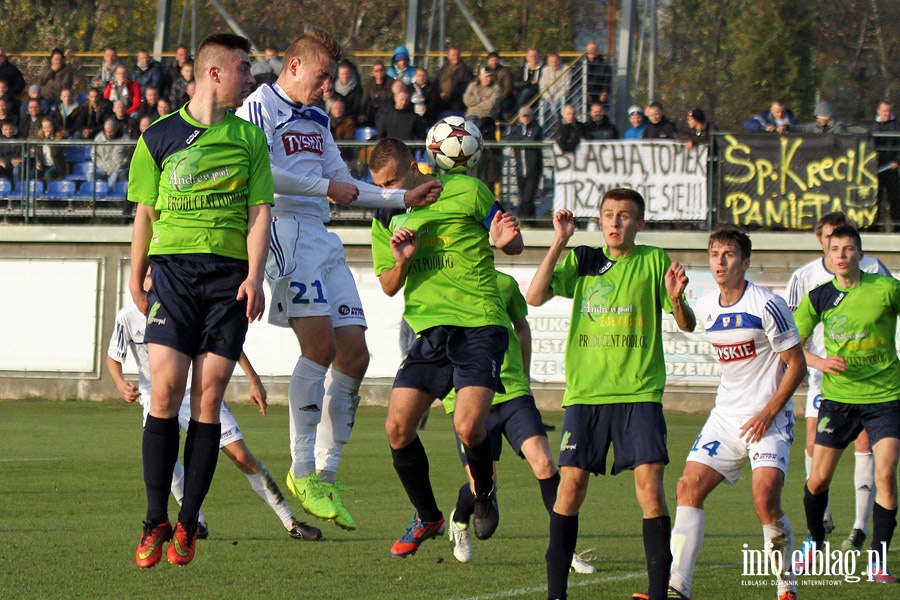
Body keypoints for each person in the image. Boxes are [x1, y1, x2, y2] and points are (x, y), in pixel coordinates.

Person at [234, 26, 441, 533]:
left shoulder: (316, 117)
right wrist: (324, 186)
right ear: (296, 66)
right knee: (320, 346)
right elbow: (259, 173)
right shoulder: (258, 107)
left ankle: (325, 473)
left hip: (322, 236)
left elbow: (345, 184)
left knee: (355, 352)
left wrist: (401, 199)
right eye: (323, 75)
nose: (328, 86)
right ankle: (302, 467)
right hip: (281, 226)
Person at [128, 32, 273, 569]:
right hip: (173, 275)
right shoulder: (159, 138)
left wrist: (255, 275)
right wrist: (136, 277)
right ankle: (154, 519)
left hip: (228, 281)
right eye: (243, 67)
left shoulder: (249, 139)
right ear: (214, 73)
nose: (250, 76)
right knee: (163, 393)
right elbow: (144, 213)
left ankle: (188, 520)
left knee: (208, 400)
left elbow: (261, 211)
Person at [525, 189, 696, 600]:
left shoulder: (654, 261)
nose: (615, 223)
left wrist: (675, 299)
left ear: (639, 223)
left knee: (650, 489)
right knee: (570, 488)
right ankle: (556, 595)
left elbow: (686, 324)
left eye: (623, 216)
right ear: (599, 221)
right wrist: (559, 241)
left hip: (639, 391)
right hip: (587, 394)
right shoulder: (584, 259)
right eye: (607, 215)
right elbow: (534, 295)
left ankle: (658, 594)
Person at [367, 136, 523, 557]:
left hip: (479, 323)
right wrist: (403, 260)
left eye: (393, 181)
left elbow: (514, 243)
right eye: (380, 185)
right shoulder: (386, 217)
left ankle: (484, 492)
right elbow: (387, 285)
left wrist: (506, 239)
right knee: (397, 428)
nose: (388, 191)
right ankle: (427, 515)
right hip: (430, 331)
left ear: (415, 166)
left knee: (468, 427)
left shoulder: (467, 189)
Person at [107, 272, 322, 544]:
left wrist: (253, 379)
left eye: (155, 274)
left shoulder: (183, 305)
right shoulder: (127, 316)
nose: (151, 281)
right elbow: (113, 356)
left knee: (242, 456)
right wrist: (120, 384)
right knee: (166, 464)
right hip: (156, 398)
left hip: (197, 393)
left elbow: (224, 344)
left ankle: (290, 521)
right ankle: (194, 522)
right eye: (147, 275)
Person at [653, 228, 805, 600]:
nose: (719, 262)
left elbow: (796, 365)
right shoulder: (708, 303)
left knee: (764, 499)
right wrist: (676, 301)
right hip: (726, 417)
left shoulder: (767, 305)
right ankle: (678, 588)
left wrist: (769, 412)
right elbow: (690, 322)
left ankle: (786, 586)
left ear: (745, 262)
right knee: (687, 487)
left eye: (728, 255)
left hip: (768, 418)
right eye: (714, 254)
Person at [435, 267, 595, 573]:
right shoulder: (446, 283)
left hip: (513, 394)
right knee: (484, 483)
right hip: (471, 399)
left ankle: (565, 549)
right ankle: (459, 519)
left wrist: (523, 375)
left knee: (546, 464)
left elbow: (521, 328)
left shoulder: (505, 284)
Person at [792, 224, 900, 584]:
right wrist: (820, 362)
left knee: (885, 474)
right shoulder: (820, 296)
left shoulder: (885, 289)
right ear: (827, 253)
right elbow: (791, 343)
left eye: (849, 249)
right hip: (837, 401)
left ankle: (878, 562)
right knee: (818, 479)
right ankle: (816, 540)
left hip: (885, 398)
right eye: (835, 248)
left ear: (860, 254)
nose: (841, 255)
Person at [505, 105, 544, 219]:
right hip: (520, 167)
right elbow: (510, 138)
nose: (526, 118)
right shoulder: (516, 128)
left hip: (533, 168)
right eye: (523, 116)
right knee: (522, 195)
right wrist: (521, 140)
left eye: (528, 116)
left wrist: (519, 141)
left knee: (528, 196)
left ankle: (523, 218)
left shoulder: (536, 127)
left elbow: (532, 139)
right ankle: (530, 220)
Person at [872, 101, 900, 231]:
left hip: (891, 168)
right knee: (874, 199)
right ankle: (874, 227)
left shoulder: (896, 127)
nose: (887, 114)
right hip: (874, 169)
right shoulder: (872, 127)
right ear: (878, 111)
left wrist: (897, 161)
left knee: (894, 198)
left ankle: (896, 227)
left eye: (889, 111)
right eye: (884, 111)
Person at [432, 46, 474, 116]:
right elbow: (437, 81)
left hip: (457, 100)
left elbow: (466, 85)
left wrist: (450, 94)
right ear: (448, 56)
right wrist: (440, 92)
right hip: (441, 98)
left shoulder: (465, 69)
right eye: (453, 55)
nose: (456, 57)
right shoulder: (444, 68)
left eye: (457, 55)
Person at [463, 66, 500, 133]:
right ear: (480, 77)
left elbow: (491, 105)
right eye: (486, 76)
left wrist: (473, 105)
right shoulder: (472, 86)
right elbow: (466, 100)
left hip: (487, 118)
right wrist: (481, 99)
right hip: (470, 116)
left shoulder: (496, 88)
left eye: (490, 76)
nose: (489, 78)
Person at [33, 116, 66, 189]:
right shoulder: (40, 138)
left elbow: (56, 152)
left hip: (56, 165)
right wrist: (38, 162)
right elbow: (38, 153)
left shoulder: (59, 138)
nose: (46, 130)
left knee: (48, 174)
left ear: (53, 127)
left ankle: (51, 191)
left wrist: (50, 139)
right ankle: (37, 192)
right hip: (44, 164)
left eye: (48, 127)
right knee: (33, 173)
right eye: (44, 128)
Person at [360, 61, 394, 126]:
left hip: (389, 113)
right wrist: (362, 113)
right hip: (374, 114)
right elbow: (364, 100)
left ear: (385, 71)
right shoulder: (369, 85)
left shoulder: (391, 83)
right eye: (376, 71)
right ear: (373, 72)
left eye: (381, 70)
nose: (379, 72)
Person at [486, 51, 515, 120]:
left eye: (495, 60)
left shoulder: (505, 72)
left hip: (503, 98)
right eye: (492, 60)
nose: (494, 62)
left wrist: (500, 98)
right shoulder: (485, 71)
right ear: (488, 61)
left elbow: (508, 88)